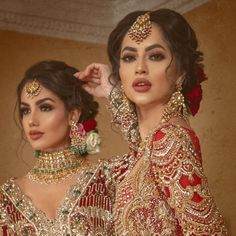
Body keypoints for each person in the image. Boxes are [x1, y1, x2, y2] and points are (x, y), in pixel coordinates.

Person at [76, 9, 228, 235]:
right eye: (129, 57)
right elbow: (141, 145)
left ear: (182, 72)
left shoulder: (169, 140)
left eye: (155, 56)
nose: (140, 67)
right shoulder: (152, 142)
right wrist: (111, 89)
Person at [0, 60, 114, 235]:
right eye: (25, 110)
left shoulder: (107, 180)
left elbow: (153, 155)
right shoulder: (6, 198)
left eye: (45, 107)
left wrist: (113, 92)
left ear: (72, 115)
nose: (32, 120)